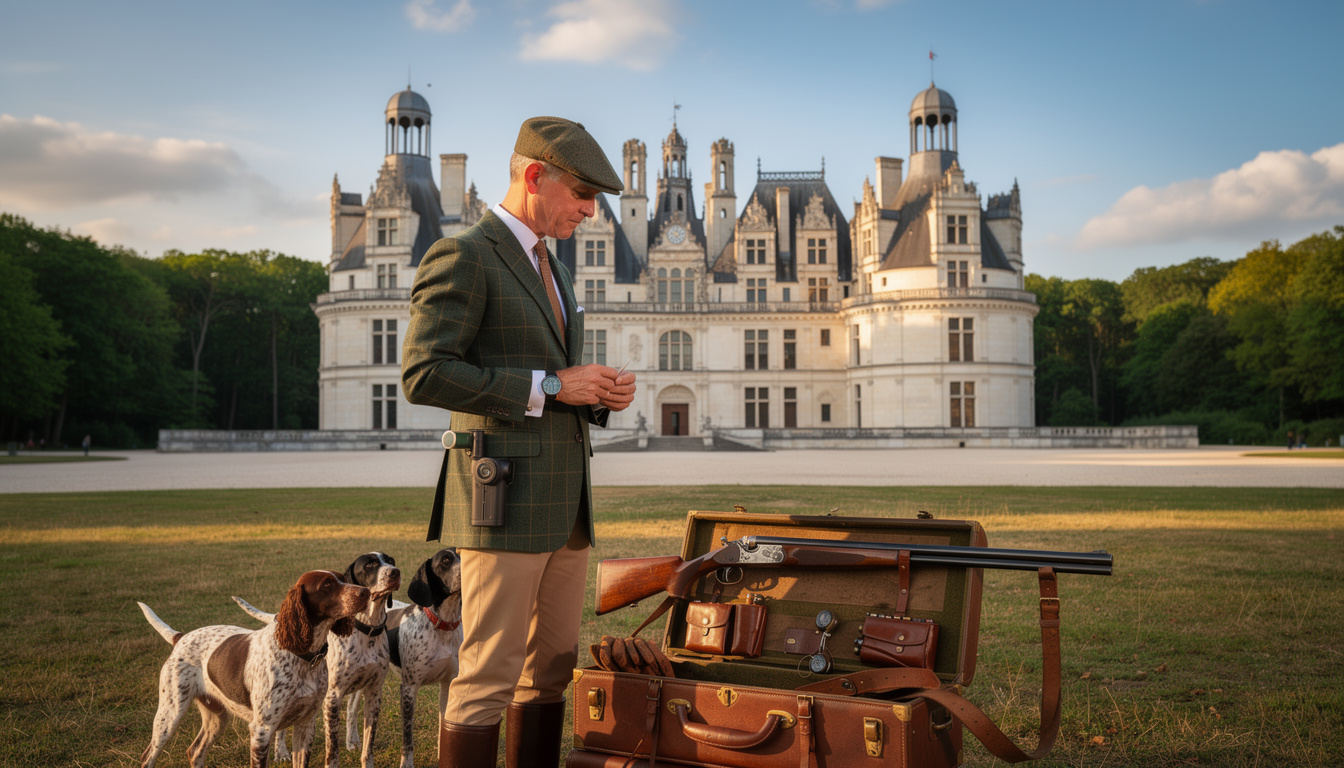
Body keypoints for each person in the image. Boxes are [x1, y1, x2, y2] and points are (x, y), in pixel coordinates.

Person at [401, 116, 635, 768]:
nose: (590, 211)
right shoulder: (465, 256)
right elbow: (424, 373)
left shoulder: (553, 269)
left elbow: (552, 382)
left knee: (551, 670)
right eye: (582, 194)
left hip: (565, 504)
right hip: (503, 501)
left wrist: (595, 394)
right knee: (488, 676)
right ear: (535, 176)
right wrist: (555, 385)